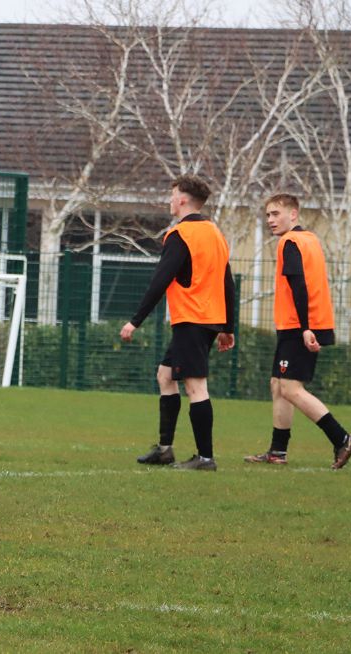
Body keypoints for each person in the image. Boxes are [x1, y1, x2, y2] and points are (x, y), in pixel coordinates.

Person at [120, 175, 235, 471]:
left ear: (182, 199)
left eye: (172, 195)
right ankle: (165, 449)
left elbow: (160, 281)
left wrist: (135, 321)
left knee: (196, 387)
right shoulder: (215, 233)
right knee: (165, 375)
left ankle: (205, 458)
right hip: (208, 320)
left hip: (192, 319)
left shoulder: (181, 235)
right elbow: (228, 283)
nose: (169, 200)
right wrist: (227, 327)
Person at [244, 194, 351, 469]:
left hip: (300, 325)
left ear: (293, 214)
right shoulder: (310, 239)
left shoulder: (290, 242)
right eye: (268, 215)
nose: (270, 220)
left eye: (276, 214)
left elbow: (299, 285)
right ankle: (277, 452)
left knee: (291, 388)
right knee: (278, 385)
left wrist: (306, 328)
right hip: (300, 323)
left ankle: (342, 438)